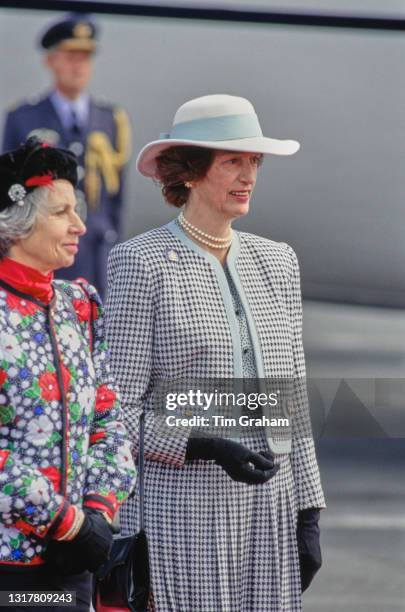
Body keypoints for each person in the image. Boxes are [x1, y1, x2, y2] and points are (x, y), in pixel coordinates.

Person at [106, 94, 326, 611]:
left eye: (254, 162)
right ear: (190, 171)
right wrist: (204, 443)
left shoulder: (278, 261)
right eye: (233, 161)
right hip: (183, 504)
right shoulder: (142, 264)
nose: (248, 174)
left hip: (270, 503)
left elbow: (289, 395)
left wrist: (309, 508)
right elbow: (117, 410)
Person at [0, 137, 136, 611]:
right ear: (16, 224)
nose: (80, 224)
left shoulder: (80, 305)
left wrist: (97, 514)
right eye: (61, 213)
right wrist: (65, 522)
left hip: (75, 563)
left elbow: (108, 421)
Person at [2, 13, 132, 298]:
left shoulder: (111, 119)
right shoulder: (23, 117)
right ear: (51, 60)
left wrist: (114, 248)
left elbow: (116, 200)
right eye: (71, 56)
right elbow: (9, 195)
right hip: (43, 251)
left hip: (97, 254)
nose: (79, 65)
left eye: (85, 57)